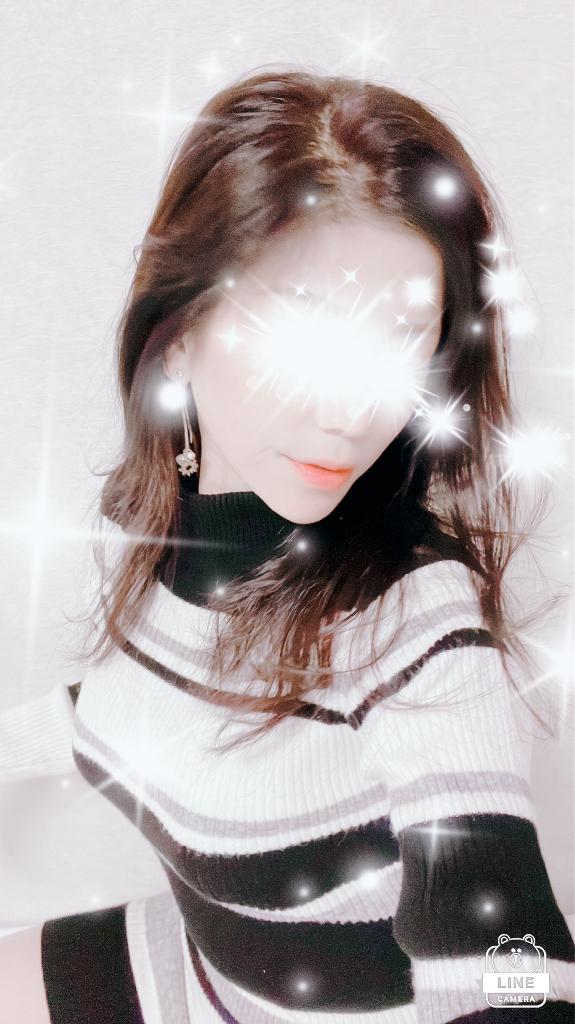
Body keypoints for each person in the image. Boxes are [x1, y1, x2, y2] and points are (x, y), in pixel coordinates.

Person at [1, 66, 574, 1023]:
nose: (350, 408)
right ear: (179, 334)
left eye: (402, 336)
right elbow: (138, 702)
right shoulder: (176, 533)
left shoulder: (418, 630)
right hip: (205, 970)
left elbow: (511, 974)